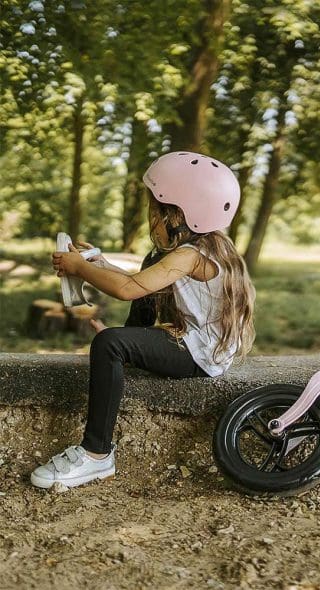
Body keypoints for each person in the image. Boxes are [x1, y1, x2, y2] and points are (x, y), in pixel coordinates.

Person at [30, 151, 256, 489]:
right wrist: (100, 264)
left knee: (109, 343)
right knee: (146, 275)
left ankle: (96, 455)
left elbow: (128, 290)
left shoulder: (189, 255)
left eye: (154, 211)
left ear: (178, 214)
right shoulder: (207, 246)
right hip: (198, 344)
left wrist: (81, 269)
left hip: (200, 357)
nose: (151, 220)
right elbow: (142, 284)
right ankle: (127, 346)